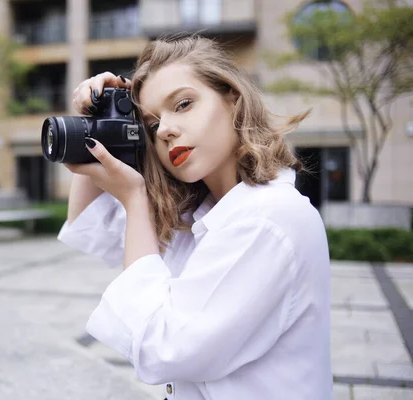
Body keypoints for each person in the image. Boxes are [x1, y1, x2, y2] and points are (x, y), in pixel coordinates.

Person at [58, 34, 332, 400]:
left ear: (232, 98)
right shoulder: (198, 217)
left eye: (183, 104)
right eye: (153, 125)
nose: (167, 129)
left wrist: (135, 199)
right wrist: (96, 117)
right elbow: (90, 225)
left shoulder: (269, 219)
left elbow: (164, 349)